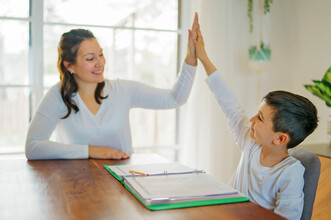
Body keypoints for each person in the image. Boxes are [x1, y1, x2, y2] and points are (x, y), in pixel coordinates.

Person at [25, 14, 200, 160]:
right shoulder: (58, 95)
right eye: (90, 58)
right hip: (76, 185)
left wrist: (191, 58)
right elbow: (33, 147)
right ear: (69, 66)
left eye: (101, 54)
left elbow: (175, 99)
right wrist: (91, 151)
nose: (100, 63)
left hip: (123, 183)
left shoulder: (123, 90)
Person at [193, 26, 318, 220]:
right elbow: (230, 105)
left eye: (260, 118)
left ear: (280, 138)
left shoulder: (290, 173)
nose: (251, 120)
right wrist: (203, 57)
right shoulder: (251, 143)